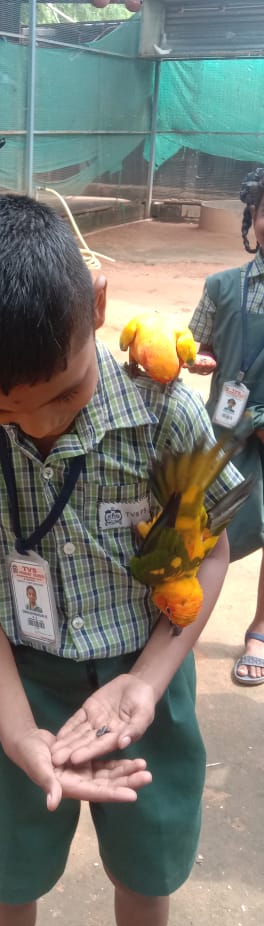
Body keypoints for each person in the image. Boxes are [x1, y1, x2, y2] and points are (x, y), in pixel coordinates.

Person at [0, 194, 241, 926]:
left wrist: (147, 681)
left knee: (147, 873)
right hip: (17, 678)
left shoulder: (165, 412)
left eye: (63, 394)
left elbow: (207, 555)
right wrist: (16, 730)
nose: (41, 424)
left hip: (144, 676)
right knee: (8, 875)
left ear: (97, 305)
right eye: (2, 412)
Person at [189, 166, 264, 685]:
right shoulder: (221, 286)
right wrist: (199, 359)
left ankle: (260, 628)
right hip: (225, 432)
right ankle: (182, 610)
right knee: (202, 523)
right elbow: (202, 345)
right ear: (252, 216)